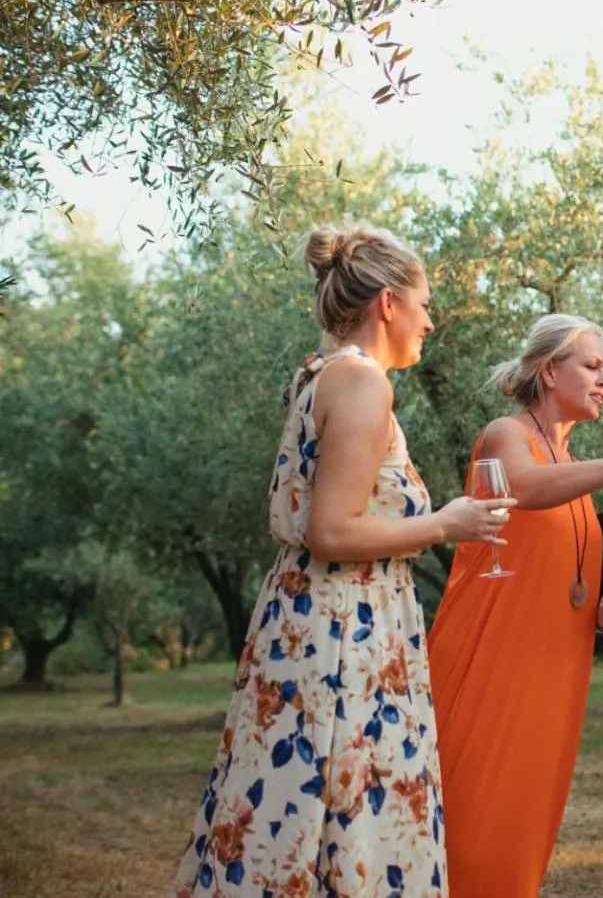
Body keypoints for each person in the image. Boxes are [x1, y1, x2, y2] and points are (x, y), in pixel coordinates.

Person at [173, 226, 513, 898]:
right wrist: (445, 524)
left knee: (293, 812)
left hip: (312, 619)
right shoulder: (361, 383)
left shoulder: (322, 372)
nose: (430, 321)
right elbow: (332, 530)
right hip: (342, 633)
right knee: (345, 815)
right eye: (424, 304)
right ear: (387, 304)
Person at [426, 313, 603, 897]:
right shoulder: (508, 435)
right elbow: (522, 488)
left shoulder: (570, 465)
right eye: (592, 366)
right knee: (475, 822)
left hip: (555, 667)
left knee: (525, 823)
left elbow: (562, 573)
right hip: (494, 660)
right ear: (550, 371)